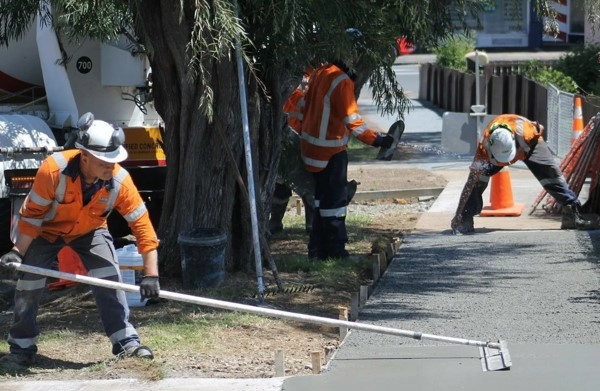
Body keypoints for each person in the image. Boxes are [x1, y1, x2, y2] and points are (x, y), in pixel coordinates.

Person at [0, 113, 160, 367]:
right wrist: (17, 252)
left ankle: (126, 343)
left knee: (109, 278)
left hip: (91, 231)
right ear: (84, 156)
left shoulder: (120, 180)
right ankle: (21, 348)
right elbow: (32, 217)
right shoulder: (52, 170)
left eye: (114, 160)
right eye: (104, 161)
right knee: (28, 285)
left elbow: (143, 228)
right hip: (46, 232)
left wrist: (151, 275)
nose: (111, 166)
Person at [300, 60, 394, 260]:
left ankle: (317, 251)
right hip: (330, 151)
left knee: (321, 203)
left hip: (312, 149)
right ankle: (336, 252)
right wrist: (377, 140)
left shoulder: (320, 71)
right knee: (334, 204)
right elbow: (353, 122)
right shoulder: (341, 81)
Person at [451, 114, 596, 234]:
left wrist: (525, 150)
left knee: (552, 176)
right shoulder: (484, 149)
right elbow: (470, 182)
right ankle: (464, 220)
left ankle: (571, 213)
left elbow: (541, 128)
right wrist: (458, 213)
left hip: (531, 145)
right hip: (506, 148)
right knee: (476, 182)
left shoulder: (527, 132)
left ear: (516, 145)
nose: (507, 163)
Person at [270, 68, 357, 235]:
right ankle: (277, 222)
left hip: (308, 141)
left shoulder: (315, 81)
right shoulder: (301, 79)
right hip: (295, 138)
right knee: (282, 182)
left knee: (309, 185)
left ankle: (311, 223)